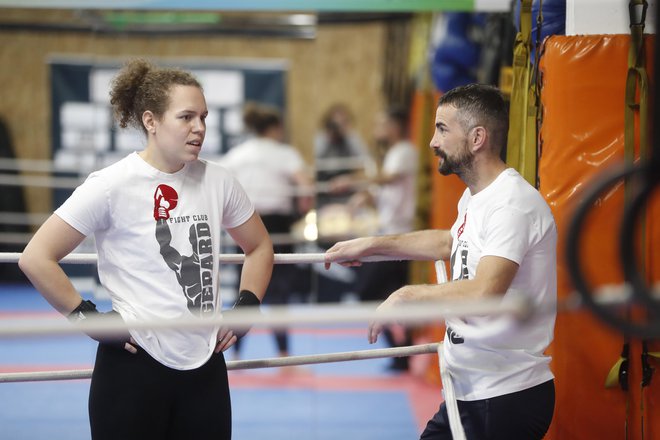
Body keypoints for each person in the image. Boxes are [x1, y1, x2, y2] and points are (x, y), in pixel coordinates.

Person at [18, 58, 274, 440]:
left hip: (206, 366)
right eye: (186, 117)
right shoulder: (110, 184)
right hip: (133, 366)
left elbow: (259, 246)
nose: (199, 128)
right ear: (151, 121)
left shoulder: (219, 181)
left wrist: (248, 305)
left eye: (203, 117)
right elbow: (36, 257)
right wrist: (89, 319)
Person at [325, 84, 556, 439]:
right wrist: (370, 246)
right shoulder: (477, 197)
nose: (432, 141)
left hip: (504, 394)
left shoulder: (511, 203)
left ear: (477, 137)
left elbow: (486, 291)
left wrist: (406, 296)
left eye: (442, 129)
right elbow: (449, 241)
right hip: (469, 390)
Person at [221, 102, 313, 365]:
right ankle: (283, 354)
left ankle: (234, 353)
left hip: (244, 224)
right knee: (280, 294)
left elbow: (218, 184)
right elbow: (306, 187)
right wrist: (302, 214)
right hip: (278, 226)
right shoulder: (284, 153)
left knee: (245, 289)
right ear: (275, 128)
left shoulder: (238, 154)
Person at [330, 105, 419, 370]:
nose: (377, 130)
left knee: (372, 291)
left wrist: (351, 181)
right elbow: (383, 189)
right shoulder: (392, 154)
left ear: (394, 127)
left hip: (401, 237)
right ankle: (401, 350)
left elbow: (387, 179)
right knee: (384, 293)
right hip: (389, 234)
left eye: (382, 124)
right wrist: (362, 197)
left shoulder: (405, 151)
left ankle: (403, 347)